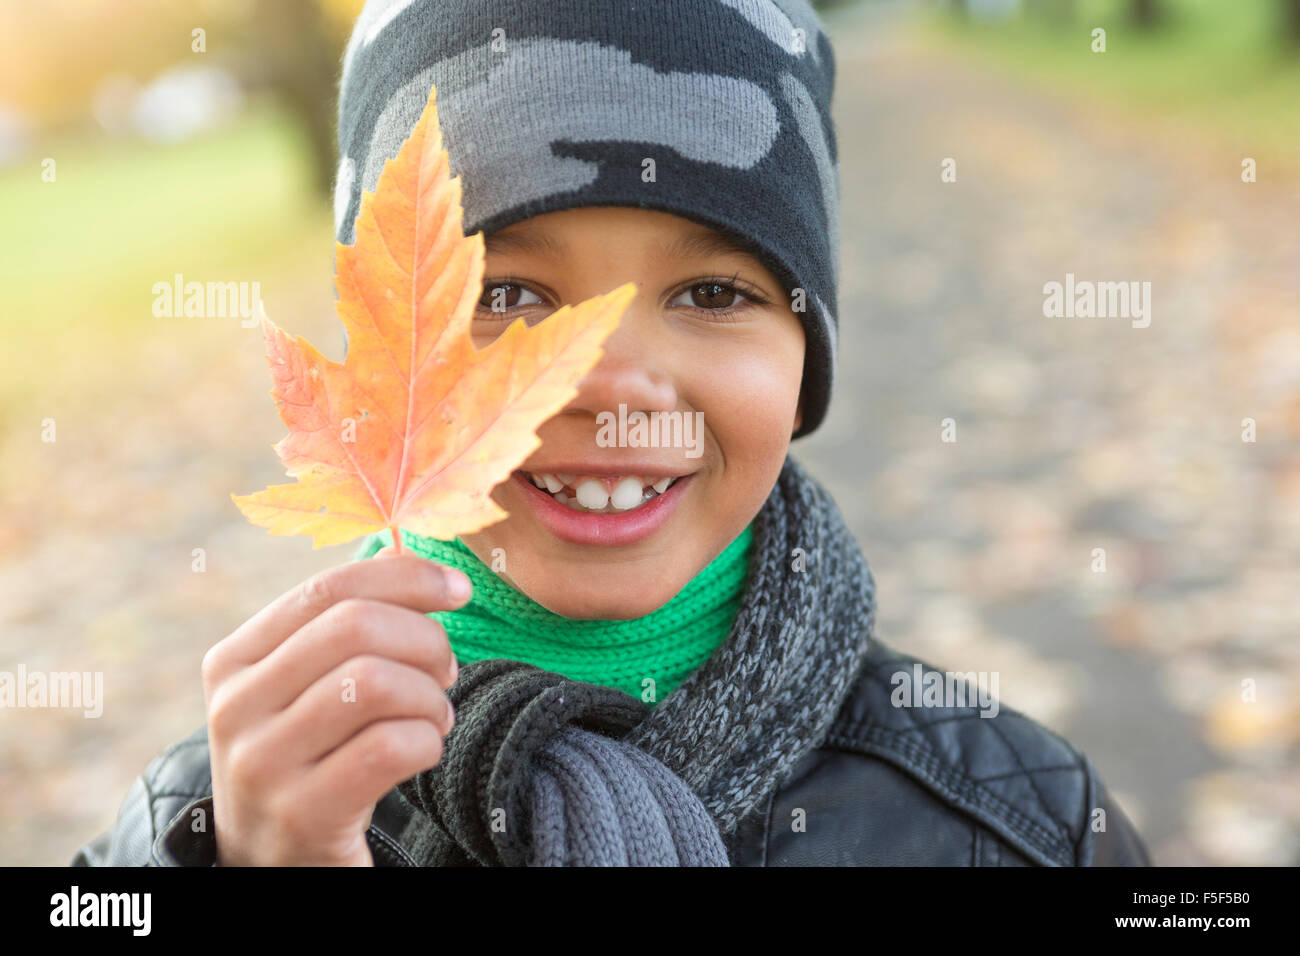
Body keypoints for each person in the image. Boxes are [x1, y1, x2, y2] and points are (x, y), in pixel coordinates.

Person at [72, 0, 1150, 867]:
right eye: (508, 294)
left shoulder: (1015, 819)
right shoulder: (208, 822)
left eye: (717, 291)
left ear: (804, 358)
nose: (610, 381)